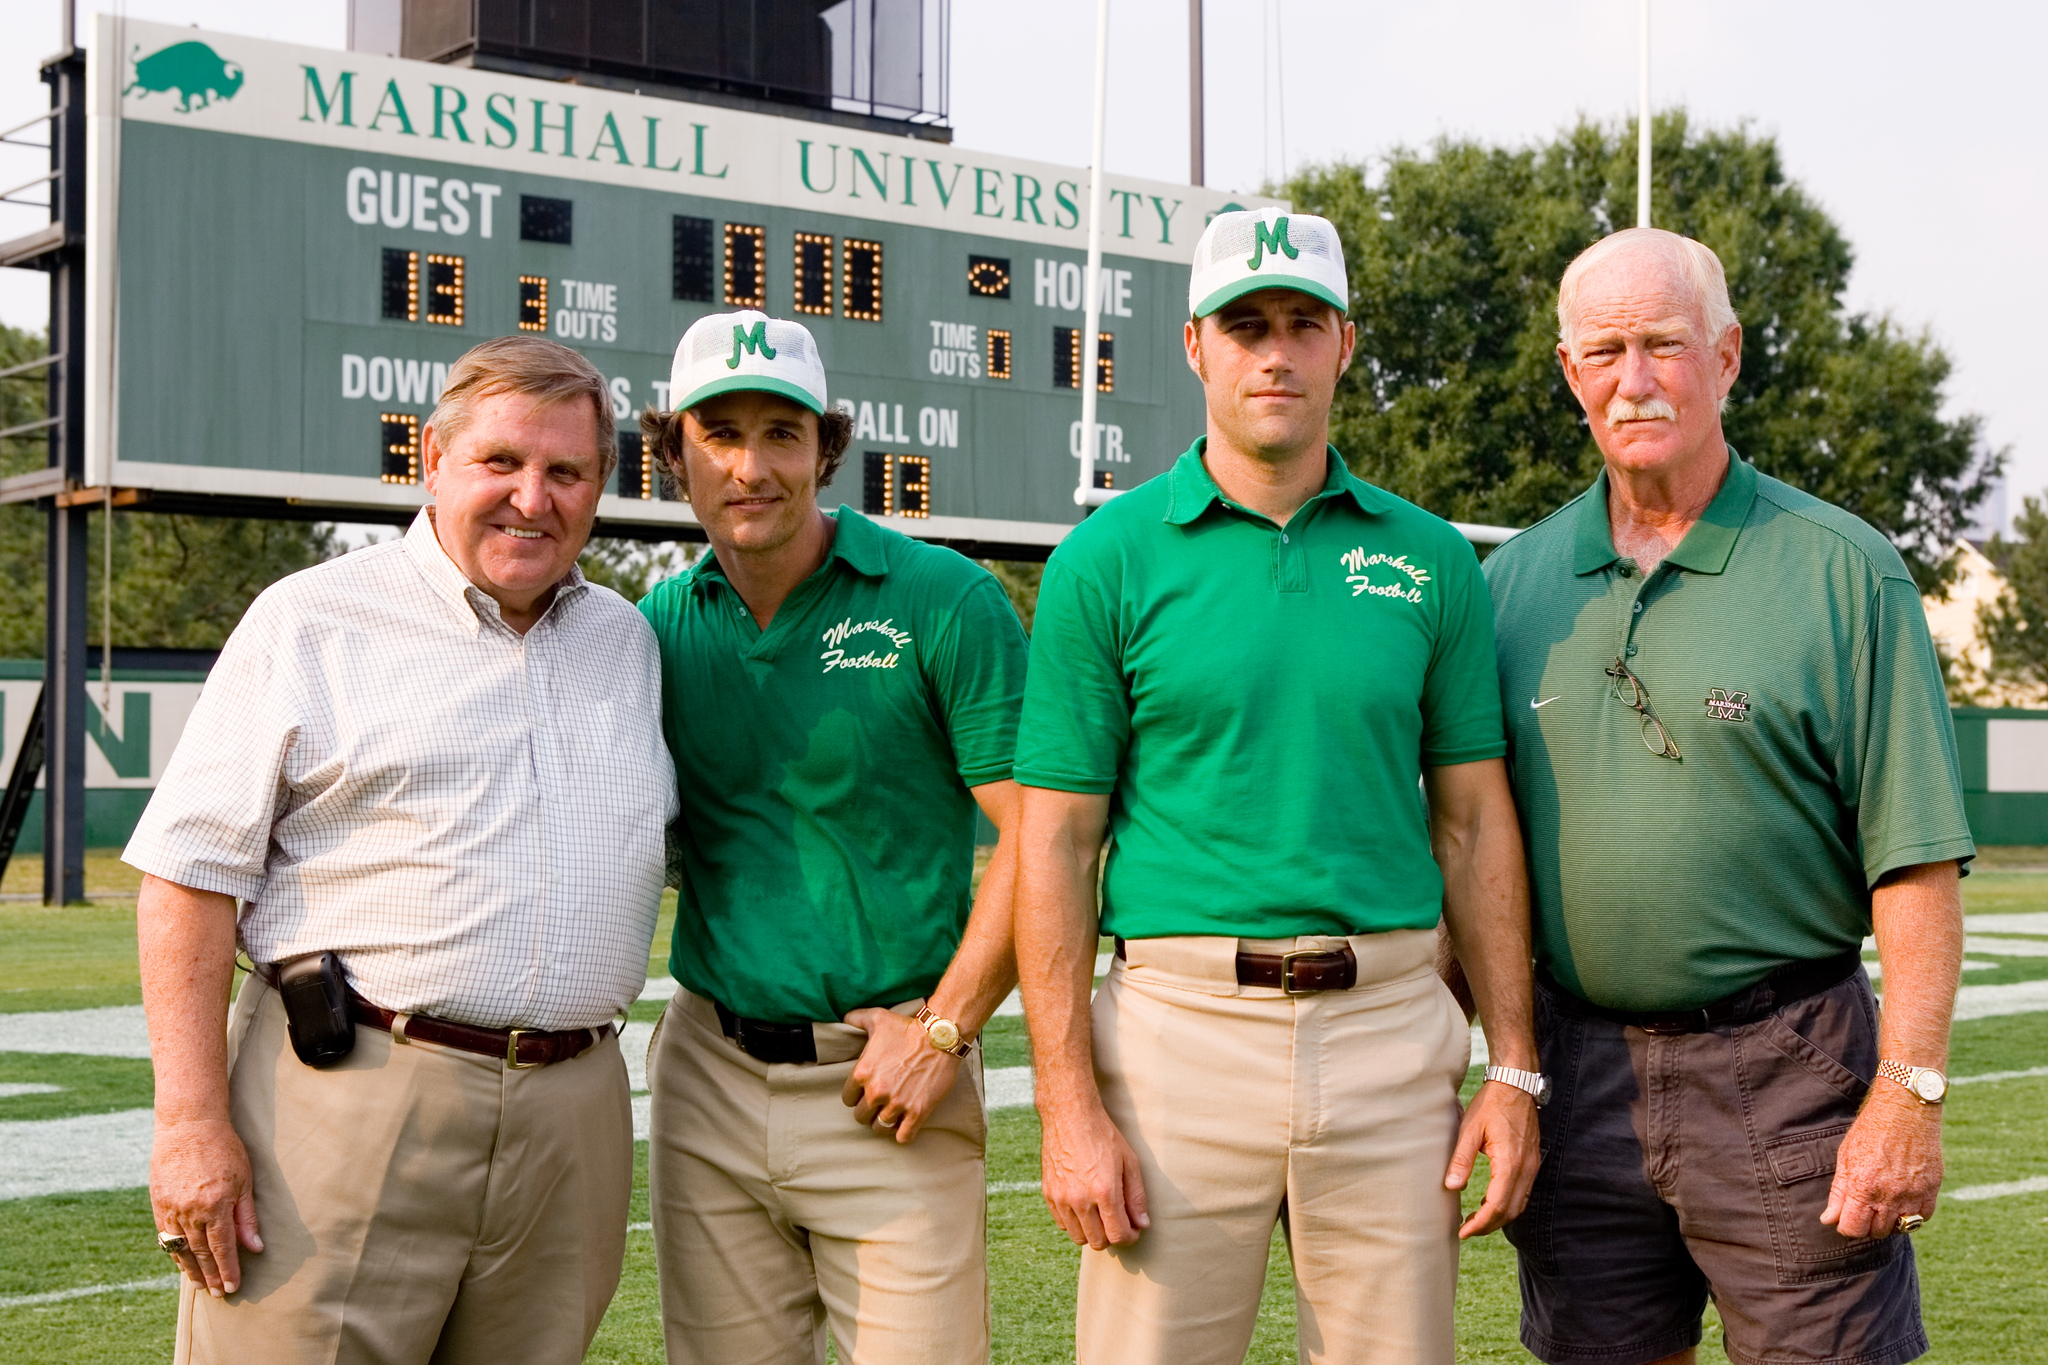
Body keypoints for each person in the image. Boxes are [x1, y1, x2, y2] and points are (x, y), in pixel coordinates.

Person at [1011, 208, 1544, 1365]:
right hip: (1174, 1039)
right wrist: (1065, 1104)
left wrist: (1511, 1061)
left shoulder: (1428, 555)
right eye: (1244, 324)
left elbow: (1470, 822)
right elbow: (1051, 845)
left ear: (1343, 344)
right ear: (1194, 345)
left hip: (1391, 1032)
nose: (1274, 352)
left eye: (1302, 323)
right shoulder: (1106, 559)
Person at [128, 335, 676, 1365]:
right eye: (501, 463)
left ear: (600, 486)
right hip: (348, 1093)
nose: (532, 497)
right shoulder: (311, 619)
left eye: (565, 472)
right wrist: (189, 1123)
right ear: (433, 459)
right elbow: (188, 880)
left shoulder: (626, 640)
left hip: (574, 1116)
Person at [1485, 226, 1975, 1365]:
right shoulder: (1507, 588)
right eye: (1603, 349)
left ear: (1727, 354)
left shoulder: (1841, 570)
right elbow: (1471, 846)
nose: (1635, 377)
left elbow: (1911, 864)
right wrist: (1507, 1056)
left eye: (1664, 343)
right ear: (1569, 373)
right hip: (1578, 1075)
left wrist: (1906, 1094)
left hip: (1787, 1060)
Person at [636, 309, 1029, 1365]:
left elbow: (1042, 843)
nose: (751, 465)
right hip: (707, 1080)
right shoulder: (656, 625)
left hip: (891, 1078)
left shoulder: (941, 599)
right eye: (718, 434)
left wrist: (944, 1031)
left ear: (826, 448)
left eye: (781, 433)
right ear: (673, 450)